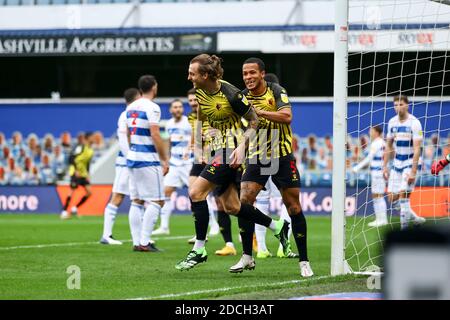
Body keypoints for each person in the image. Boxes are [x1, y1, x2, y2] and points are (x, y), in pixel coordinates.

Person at [175, 54, 291, 272]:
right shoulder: (200, 92)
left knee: (195, 193)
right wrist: (199, 146)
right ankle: (277, 227)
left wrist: (240, 146)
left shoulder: (232, 94)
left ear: (206, 74)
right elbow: (200, 117)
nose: (188, 76)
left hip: (233, 150)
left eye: (192, 73)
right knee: (232, 207)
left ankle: (199, 249)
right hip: (219, 149)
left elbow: (254, 120)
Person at [240, 57, 313, 277]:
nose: (248, 77)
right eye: (245, 74)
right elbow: (246, 127)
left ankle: (304, 261)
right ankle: (247, 256)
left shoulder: (276, 90)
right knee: (244, 201)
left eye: (252, 73)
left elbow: (287, 116)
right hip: (258, 156)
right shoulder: (242, 98)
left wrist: (259, 112)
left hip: (282, 156)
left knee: (293, 207)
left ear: (262, 74)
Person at [126, 75, 168, 252]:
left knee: (136, 200)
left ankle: (137, 242)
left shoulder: (131, 107)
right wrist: (164, 159)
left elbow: (128, 133)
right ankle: (144, 242)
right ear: (154, 87)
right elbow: (155, 134)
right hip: (148, 159)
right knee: (157, 200)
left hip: (132, 156)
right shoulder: (153, 107)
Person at [185, 88, 229, 252]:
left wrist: (210, 140)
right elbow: (194, 139)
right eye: (190, 101)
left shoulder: (215, 111)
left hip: (218, 156)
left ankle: (250, 232)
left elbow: (223, 134)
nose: (193, 103)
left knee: (228, 204)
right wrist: (197, 151)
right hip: (201, 158)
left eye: (195, 100)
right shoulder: (192, 118)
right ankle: (206, 231)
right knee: (194, 192)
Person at [99, 88, 141, 245]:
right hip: (126, 162)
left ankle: (142, 237)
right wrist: (131, 157)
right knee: (117, 196)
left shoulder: (133, 114)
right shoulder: (126, 115)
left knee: (139, 198)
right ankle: (106, 235)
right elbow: (123, 139)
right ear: (136, 98)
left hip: (132, 161)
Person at [152, 99, 195, 235]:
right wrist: (167, 160)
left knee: (198, 194)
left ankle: (213, 225)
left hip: (188, 163)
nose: (178, 109)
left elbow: (195, 137)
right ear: (170, 110)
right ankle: (164, 227)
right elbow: (169, 141)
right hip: (174, 164)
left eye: (180, 107)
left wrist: (190, 150)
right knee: (166, 193)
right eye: (175, 107)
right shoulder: (169, 124)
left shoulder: (189, 121)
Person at [383, 95, 426, 230]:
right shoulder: (391, 122)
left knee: (403, 195)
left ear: (407, 105)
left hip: (410, 162)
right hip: (397, 163)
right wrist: (384, 166)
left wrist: (413, 171)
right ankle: (416, 219)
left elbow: (417, 148)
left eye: (401, 104)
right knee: (391, 198)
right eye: (396, 105)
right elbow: (389, 146)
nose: (398, 107)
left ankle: (404, 230)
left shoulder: (415, 123)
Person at [352, 125, 388, 227]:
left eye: (371, 130)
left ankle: (382, 219)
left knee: (378, 196)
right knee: (377, 195)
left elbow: (369, 158)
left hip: (377, 173)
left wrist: (356, 168)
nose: (369, 132)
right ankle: (380, 219)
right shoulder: (382, 143)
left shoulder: (377, 143)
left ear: (376, 132)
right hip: (378, 172)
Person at [60, 132, 95, 219]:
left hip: (83, 173)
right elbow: (71, 157)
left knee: (89, 193)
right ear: (87, 138)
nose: (94, 139)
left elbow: (87, 163)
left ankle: (74, 209)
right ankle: (64, 211)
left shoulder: (91, 151)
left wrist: (87, 174)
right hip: (75, 172)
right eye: (92, 137)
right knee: (72, 191)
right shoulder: (81, 147)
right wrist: (75, 170)